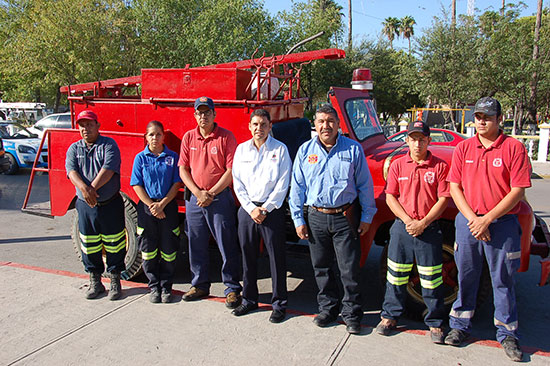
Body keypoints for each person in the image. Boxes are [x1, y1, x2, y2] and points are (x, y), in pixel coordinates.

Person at [445, 97, 531, 362]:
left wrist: (488, 218)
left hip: (502, 225)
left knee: (502, 280)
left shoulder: (514, 148)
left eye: (487, 117)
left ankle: (507, 334)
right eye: (478, 116)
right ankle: (460, 326)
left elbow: (517, 190)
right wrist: (473, 219)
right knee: (466, 276)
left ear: (499, 120)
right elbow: (454, 187)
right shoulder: (464, 148)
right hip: (468, 223)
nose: (481, 121)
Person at [289, 104, 377, 335]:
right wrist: (298, 219)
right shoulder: (305, 151)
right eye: (320, 121)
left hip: (344, 217)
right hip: (316, 217)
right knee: (321, 268)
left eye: (330, 121)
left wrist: (367, 216)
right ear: (314, 125)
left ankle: (351, 314)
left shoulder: (353, 150)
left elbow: (365, 186)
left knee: (349, 270)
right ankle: (328, 309)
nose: (325, 125)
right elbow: (297, 188)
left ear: (338, 124)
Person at [376, 120, 449, 344]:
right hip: (402, 228)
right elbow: (390, 196)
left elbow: (444, 198)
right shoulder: (398, 165)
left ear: (428, 140)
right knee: (395, 276)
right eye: (413, 139)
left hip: (428, 228)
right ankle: (389, 317)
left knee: (432, 279)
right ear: (407, 140)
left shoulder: (439, 166)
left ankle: (436, 322)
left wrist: (424, 222)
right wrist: (408, 221)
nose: (417, 143)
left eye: (422, 139)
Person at [178, 96, 242, 308]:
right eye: (199, 112)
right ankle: (199, 284)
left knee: (226, 243)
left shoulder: (226, 137)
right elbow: (183, 169)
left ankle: (232, 288)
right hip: (195, 200)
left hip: (219, 198)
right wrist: (197, 192)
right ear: (195, 115)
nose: (203, 116)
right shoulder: (188, 137)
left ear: (215, 114)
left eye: (207, 112)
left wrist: (211, 193)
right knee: (195, 243)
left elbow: (231, 171)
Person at [231, 109, 292, 323]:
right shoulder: (241, 150)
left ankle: (279, 304)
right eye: (255, 124)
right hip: (247, 211)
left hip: (271, 212)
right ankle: (249, 300)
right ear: (249, 126)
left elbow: (283, 183)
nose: (259, 128)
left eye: (263, 124)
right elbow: (237, 183)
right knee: (247, 257)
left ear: (270, 126)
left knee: (277, 259)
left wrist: (265, 208)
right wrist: (251, 208)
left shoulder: (280, 150)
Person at [65, 110, 126, 300]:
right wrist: (85, 190)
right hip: (85, 206)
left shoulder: (109, 145)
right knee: (89, 244)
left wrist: (91, 188)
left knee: (115, 243)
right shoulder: (74, 149)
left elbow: (108, 169)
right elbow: (71, 170)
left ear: (98, 126)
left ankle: (115, 281)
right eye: (82, 125)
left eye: (89, 124)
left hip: (110, 204)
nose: (86, 129)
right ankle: (95, 281)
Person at [131, 121, 182, 303]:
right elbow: (136, 184)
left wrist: (162, 204)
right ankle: (154, 287)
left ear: (163, 136)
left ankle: (166, 286)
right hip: (147, 208)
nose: (155, 138)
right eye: (151, 134)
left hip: (167, 207)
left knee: (169, 249)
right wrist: (152, 206)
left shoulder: (173, 157)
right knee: (148, 249)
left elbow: (177, 183)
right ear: (146, 137)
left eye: (158, 134)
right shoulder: (140, 158)